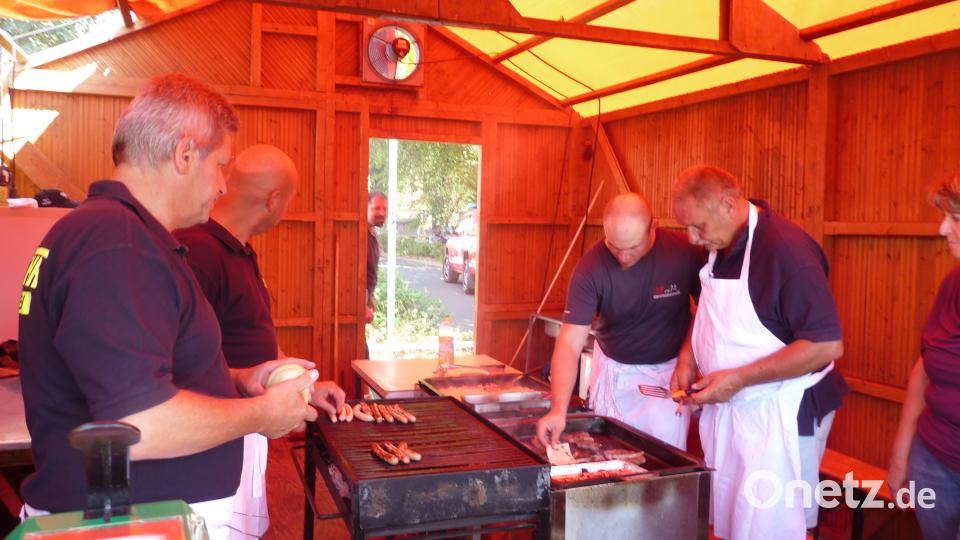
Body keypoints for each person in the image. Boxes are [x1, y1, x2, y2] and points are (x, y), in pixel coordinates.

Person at [17, 74, 332, 539]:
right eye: (220, 165)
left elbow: (150, 374)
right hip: (129, 525)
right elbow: (140, 423)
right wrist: (265, 414)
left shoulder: (123, 236)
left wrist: (240, 380)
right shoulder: (116, 243)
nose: (222, 186)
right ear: (185, 155)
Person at [175, 144, 345, 539]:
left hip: (247, 428)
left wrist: (307, 386)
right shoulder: (197, 252)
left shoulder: (239, 251)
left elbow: (256, 341)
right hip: (213, 446)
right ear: (273, 200)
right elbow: (178, 364)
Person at [670, 165, 848, 539]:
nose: (692, 238)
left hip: (784, 410)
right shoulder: (721, 243)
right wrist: (687, 357)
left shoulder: (787, 252)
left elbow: (825, 345)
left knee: (778, 521)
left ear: (727, 204)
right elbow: (708, 308)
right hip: (737, 406)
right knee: (737, 514)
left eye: (698, 226)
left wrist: (738, 379)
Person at [536, 192, 705, 450]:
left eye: (632, 248)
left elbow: (708, 308)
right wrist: (558, 409)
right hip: (616, 370)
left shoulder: (684, 253)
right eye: (614, 247)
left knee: (665, 448)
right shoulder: (590, 268)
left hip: (670, 370)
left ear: (653, 228)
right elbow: (570, 342)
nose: (623, 258)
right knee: (611, 450)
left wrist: (687, 359)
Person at [888, 171, 960, 540]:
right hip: (934, 459)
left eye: (955, 218)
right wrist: (901, 455)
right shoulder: (953, 284)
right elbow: (926, 366)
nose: (942, 229)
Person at [365, 191, 387, 358]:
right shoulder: (360, 236)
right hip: (354, 306)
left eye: (384, 209)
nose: (382, 213)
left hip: (365, 301)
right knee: (362, 358)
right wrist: (361, 307)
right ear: (366, 208)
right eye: (377, 208)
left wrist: (370, 296)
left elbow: (369, 271)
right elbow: (353, 276)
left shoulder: (371, 234)